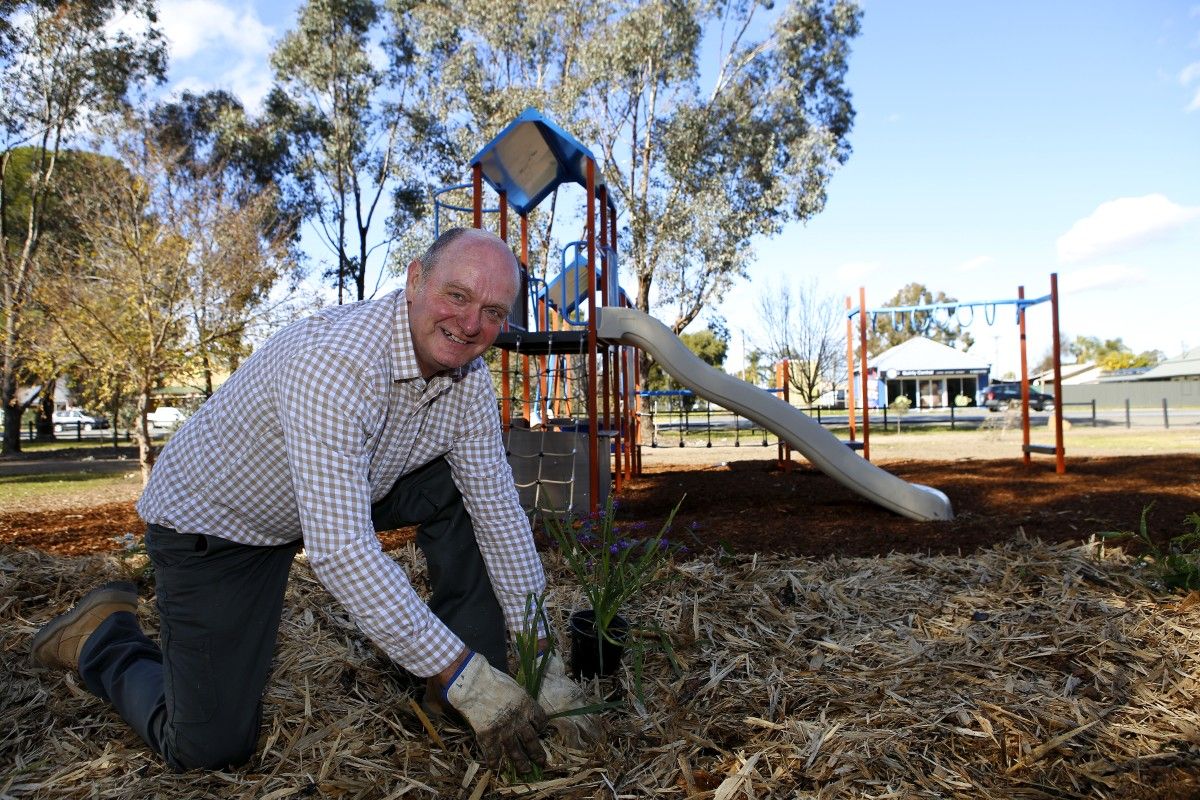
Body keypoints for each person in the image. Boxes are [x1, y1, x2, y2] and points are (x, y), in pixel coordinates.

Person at [31, 227, 599, 773]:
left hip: (343, 489)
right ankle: (102, 641)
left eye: (494, 312)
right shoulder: (335, 362)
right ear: (414, 280)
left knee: (466, 488)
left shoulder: (468, 377)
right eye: (457, 295)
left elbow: (497, 509)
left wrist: (539, 644)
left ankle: (472, 682)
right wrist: (460, 675)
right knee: (209, 748)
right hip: (221, 524)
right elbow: (343, 552)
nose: (471, 323)